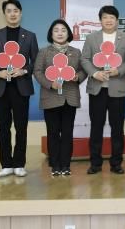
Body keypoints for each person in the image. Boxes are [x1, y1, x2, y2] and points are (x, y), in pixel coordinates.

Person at [0, 0, 39, 178]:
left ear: (20, 13)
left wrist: (24, 70)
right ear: (4, 14)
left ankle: (19, 164)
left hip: (21, 88)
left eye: (16, 11)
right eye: (9, 11)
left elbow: (36, 62)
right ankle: (6, 164)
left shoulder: (30, 36)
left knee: (21, 127)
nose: (12, 14)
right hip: (1, 88)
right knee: (3, 127)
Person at [81, 5, 125, 175]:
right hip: (97, 89)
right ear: (100, 20)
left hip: (117, 89)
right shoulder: (91, 38)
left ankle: (116, 163)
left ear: (117, 20)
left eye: (112, 17)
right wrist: (95, 73)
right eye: (105, 17)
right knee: (96, 127)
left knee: (117, 128)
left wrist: (119, 71)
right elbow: (85, 59)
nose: (108, 20)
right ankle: (95, 163)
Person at [34, 19, 86, 176]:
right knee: (53, 133)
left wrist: (77, 77)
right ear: (51, 34)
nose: (60, 33)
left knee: (67, 133)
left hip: (70, 97)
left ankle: (66, 165)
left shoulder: (76, 52)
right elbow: (37, 72)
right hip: (50, 98)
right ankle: (55, 165)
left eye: (63, 30)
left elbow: (83, 70)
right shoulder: (44, 52)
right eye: (56, 30)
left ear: (68, 33)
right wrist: (50, 84)